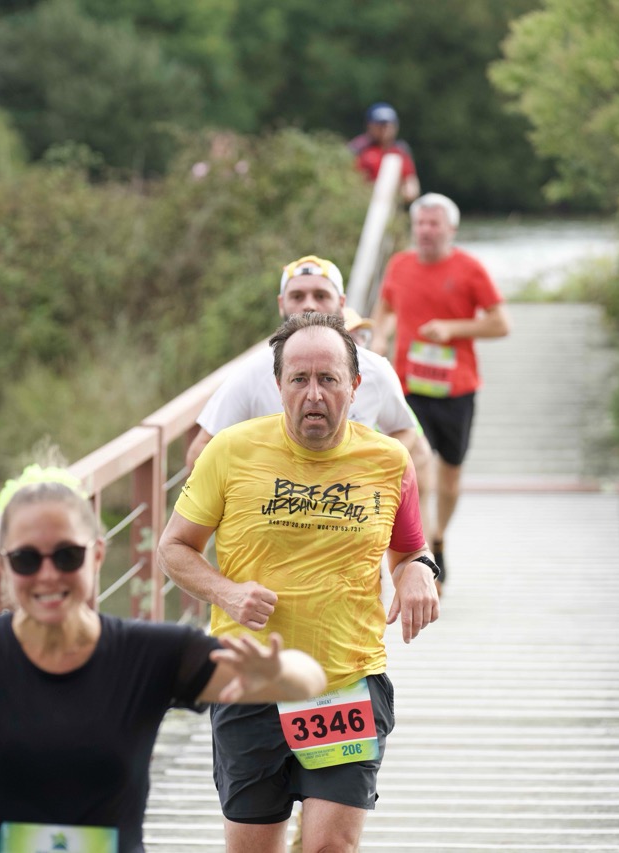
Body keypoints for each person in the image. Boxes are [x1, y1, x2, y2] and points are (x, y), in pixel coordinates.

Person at [0, 464, 327, 853]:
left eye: (67, 556)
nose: (48, 574)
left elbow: (309, 678)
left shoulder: (149, 653)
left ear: (97, 554)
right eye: (27, 559)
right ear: (3, 567)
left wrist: (278, 672)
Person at [158, 312, 441, 853]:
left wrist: (419, 573)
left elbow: (410, 550)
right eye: (299, 379)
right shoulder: (230, 450)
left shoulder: (389, 461)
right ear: (278, 385)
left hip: (347, 683)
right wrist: (227, 592)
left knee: (331, 848)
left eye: (328, 379)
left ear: (355, 387)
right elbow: (174, 548)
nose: (314, 394)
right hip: (251, 684)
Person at [184, 256, 430, 491]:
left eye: (321, 295)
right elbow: (200, 451)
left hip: (350, 512)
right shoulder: (253, 373)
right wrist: (247, 496)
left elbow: (405, 430)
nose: (309, 305)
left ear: (341, 303)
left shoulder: (375, 370)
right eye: (297, 296)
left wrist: (369, 476)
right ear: (281, 304)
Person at [370, 193, 511, 586]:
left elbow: (501, 323)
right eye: (420, 224)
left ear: (451, 229)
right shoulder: (399, 265)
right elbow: (385, 308)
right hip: (408, 387)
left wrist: (453, 329)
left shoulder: (469, 269)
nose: (426, 231)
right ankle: (421, 547)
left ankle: (439, 535)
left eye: (434, 224)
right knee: (415, 464)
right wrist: (379, 336)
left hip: (456, 389)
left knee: (450, 476)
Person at [347, 102, 420, 204]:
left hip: (391, 204)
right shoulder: (358, 148)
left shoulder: (401, 150)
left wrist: (399, 193)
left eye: (389, 125)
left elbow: (411, 187)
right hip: (360, 202)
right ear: (369, 126)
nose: (385, 129)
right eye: (380, 125)